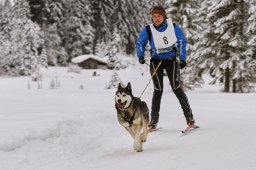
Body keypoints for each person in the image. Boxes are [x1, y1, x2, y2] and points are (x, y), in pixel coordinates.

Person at [136, 5, 197, 131]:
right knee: (158, 90)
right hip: (156, 61)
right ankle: (153, 123)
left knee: (177, 88)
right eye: (154, 16)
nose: (156, 18)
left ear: (164, 16)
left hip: (171, 61)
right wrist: (140, 56)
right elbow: (140, 43)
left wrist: (183, 58)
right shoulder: (148, 29)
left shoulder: (173, 27)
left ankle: (190, 120)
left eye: (159, 16)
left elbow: (181, 41)